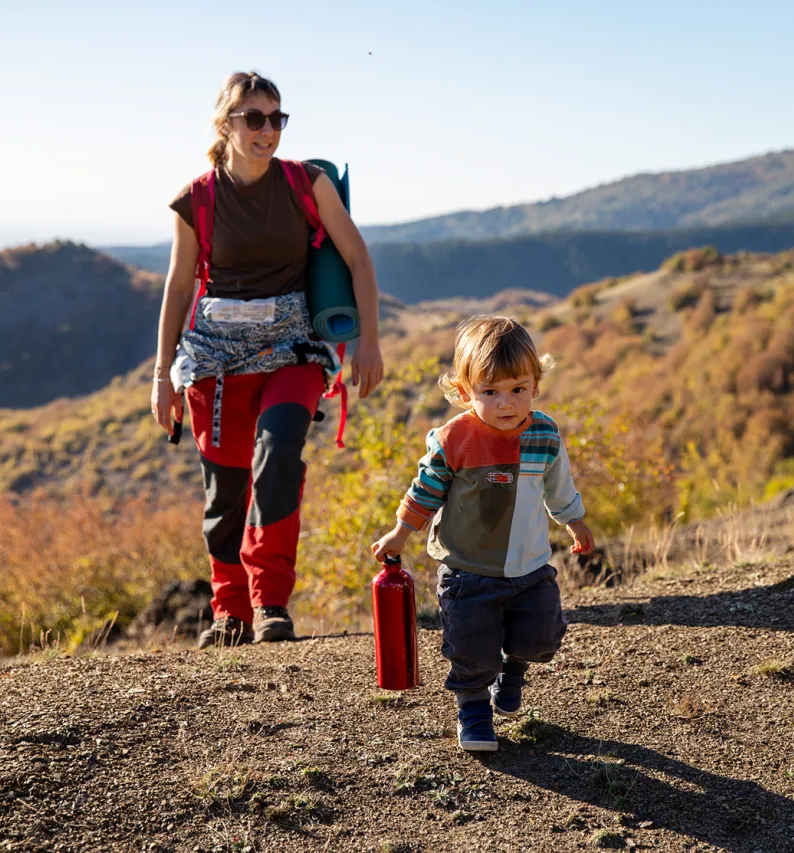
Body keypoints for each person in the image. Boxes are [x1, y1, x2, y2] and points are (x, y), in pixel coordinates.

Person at [152, 71, 384, 647]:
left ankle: (270, 604)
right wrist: (162, 376)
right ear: (225, 124)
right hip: (215, 359)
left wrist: (370, 342)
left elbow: (357, 258)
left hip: (294, 350)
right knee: (225, 488)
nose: (267, 130)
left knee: (278, 451)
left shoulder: (307, 183)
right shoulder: (197, 199)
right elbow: (179, 290)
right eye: (253, 118)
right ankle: (230, 612)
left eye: (276, 118)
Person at [371, 316, 594, 752]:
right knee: (472, 649)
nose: (505, 403)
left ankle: (513, 670)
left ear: (536, 385)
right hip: (467, 568)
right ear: (464, 392)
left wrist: (576, 520)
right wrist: (401, 533)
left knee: (541, 638)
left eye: (517, 389)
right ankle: (473, 711)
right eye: (489, 392)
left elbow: (559, 486)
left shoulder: (544, 434)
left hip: (530, 565)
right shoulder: (454, 438)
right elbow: (425, 490)